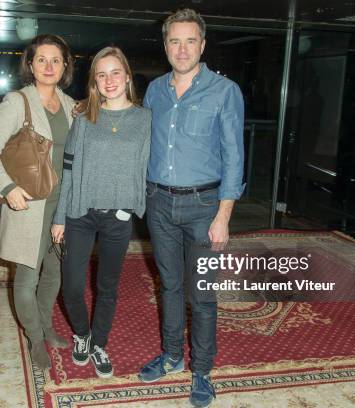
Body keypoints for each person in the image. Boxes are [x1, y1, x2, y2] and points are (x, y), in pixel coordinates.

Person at [137, 9, 245, 408]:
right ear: (165, 45)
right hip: (159, 203)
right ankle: (170, 356)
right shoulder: (154, 91)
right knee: (169, 286)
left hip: (204, 207)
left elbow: (235, 158)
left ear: (202, 44)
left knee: (201, 295)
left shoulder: (224, 91)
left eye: (190, 41)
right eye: (174, 41)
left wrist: (224, 216)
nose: (182, 49)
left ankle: (201, 370)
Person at [0, 34, 76, 370]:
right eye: (41, 59)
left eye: (56, 60)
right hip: (29, 205)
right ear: (30, 65)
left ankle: (47, 326)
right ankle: (35, 337)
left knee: (54, 274)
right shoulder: (16, 102)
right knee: (27, 277)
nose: (49, 66)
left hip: (62, 206)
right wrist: (7, 187)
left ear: (65, 66)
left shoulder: (70, 105)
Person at [51, 46, 151, 379]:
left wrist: (134, 207)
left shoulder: (145, 119)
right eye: (101, 74)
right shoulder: (84, 117)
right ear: (94, 81)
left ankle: (99, 343)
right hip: (80, 213)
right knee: (73, 287)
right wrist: (59, 217)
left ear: (127, 76)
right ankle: (82, 333)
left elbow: (146, 168)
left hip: (117, 218)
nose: (109, 81)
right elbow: (68, 170)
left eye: (115, 72)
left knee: (108, 287)